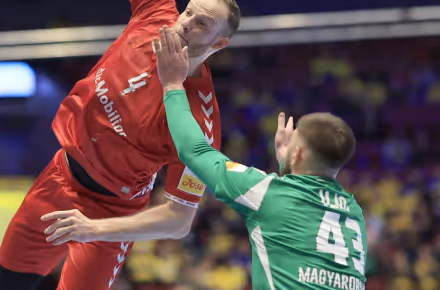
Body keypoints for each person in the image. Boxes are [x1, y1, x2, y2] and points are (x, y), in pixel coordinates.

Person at [0, 0, 254, 290]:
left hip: (112, 215)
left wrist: (92, 229)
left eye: (202, 24)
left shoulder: (199, 120)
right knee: (6, 284)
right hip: (60, 176)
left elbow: (178, 220)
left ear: (220, 43)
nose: (186, 24)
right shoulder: (154, 18)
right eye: (188, 13)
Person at [46, 27, 367, 290]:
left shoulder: (266, 191)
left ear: (297, 152)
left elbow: (194, 150)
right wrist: (288, 166)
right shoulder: (354, 213)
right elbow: (300, 220)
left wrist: (173, 84)